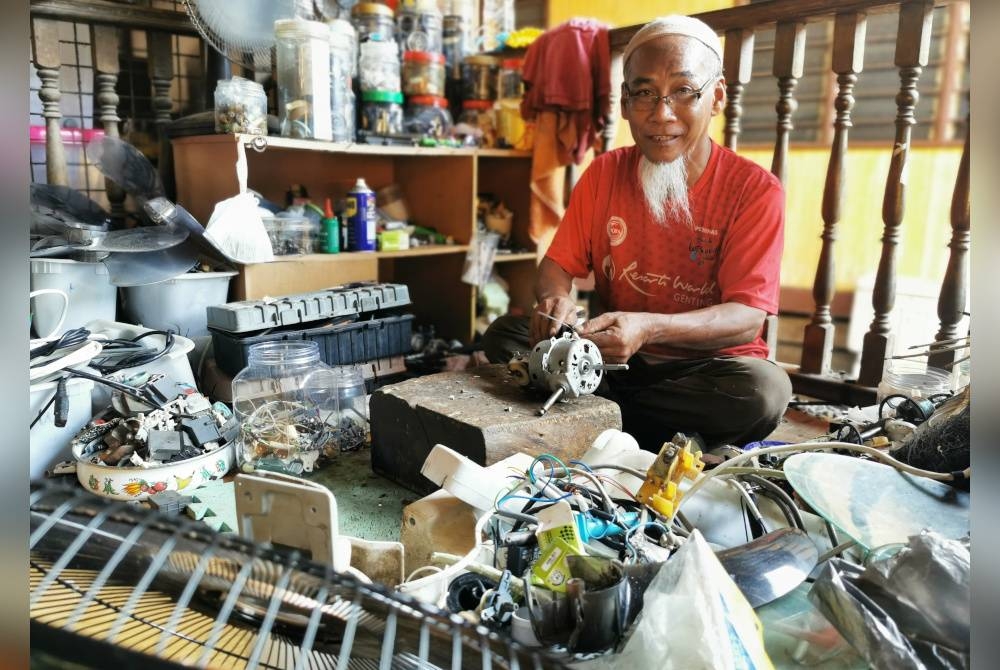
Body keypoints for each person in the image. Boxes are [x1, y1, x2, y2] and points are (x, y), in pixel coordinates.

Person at [482, 14, 792, 452]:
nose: (662, 114)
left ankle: (594, 420)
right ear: (625, 104)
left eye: (684, 92)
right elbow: (558, 265)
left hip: (704, 372)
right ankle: (627, 427)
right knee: (505, 334)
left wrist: (649, 328)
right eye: (644, 94)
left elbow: (746, 319)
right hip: (610, 362)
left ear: (717, 97)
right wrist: (555, 303)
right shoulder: (604, 173)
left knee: (764, 393)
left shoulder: (753, 190)